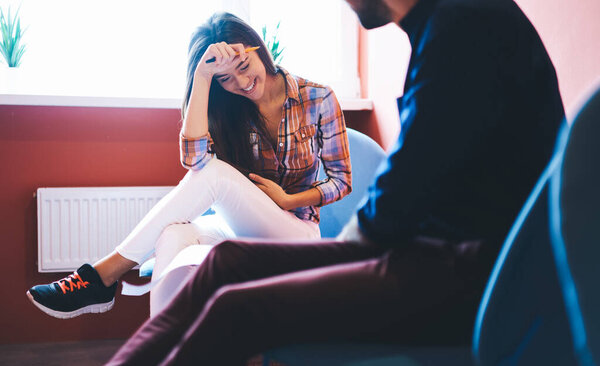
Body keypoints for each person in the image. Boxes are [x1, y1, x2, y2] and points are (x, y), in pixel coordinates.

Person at [106, 0, 566, 363]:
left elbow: (400, 194)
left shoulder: (465, 25)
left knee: (236, 307)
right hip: (427, 248)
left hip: (474, 271)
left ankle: (105, 273)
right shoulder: (437, 28)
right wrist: (205, 78)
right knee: (222, 262)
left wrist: (333, 246)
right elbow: (424, 178)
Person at [26, 12, 352, 319]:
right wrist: (203, 76)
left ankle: (105, 274)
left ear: (258, 47)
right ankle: (166, 342)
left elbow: (342, 181)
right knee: (174, 233)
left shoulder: (318, 98)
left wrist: (288, 200)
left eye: (243, 65)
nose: (241, 82)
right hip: (238, 229)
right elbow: (194, 161)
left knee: (214, 175)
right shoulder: (229, 108)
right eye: (226, 78)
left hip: (295, 235)